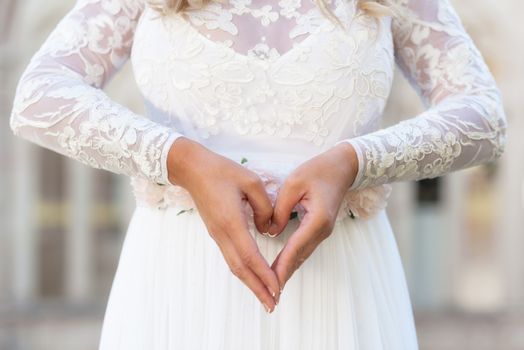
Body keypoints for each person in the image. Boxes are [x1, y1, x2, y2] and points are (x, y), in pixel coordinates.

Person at [9, 0, 507, 348]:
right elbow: (39, 97)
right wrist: (182, 160)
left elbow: (483, 114)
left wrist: (354, 160)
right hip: (182, 282)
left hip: (341, 285)